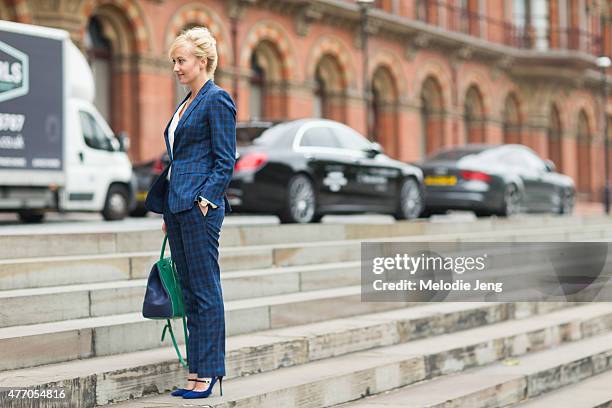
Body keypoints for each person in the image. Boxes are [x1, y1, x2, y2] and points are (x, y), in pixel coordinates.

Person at [145, 26, 236, 399]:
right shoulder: (186, 103)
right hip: (177, 206)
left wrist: (205, 200)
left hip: (198, 209)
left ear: (202, 61)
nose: (176, 68)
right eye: (173, 62)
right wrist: (170, 208)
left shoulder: (217, 100)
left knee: (205, 291)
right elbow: (181, 158)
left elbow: (225, 159)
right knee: (188, 291)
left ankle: (210, 372)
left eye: (181, 61)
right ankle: (196, 371)